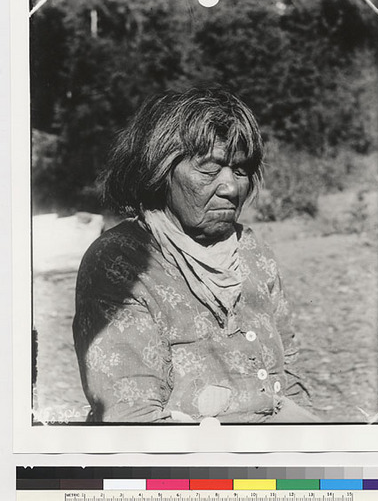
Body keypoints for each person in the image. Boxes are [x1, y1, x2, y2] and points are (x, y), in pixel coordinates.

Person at [73, 87, 318, 423]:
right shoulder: (121, 263)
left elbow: (291, 373)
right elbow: (132, 417)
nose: (230, 188)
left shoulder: (251, 250)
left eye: (241, 170)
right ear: (160, 172)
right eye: (208, 170)